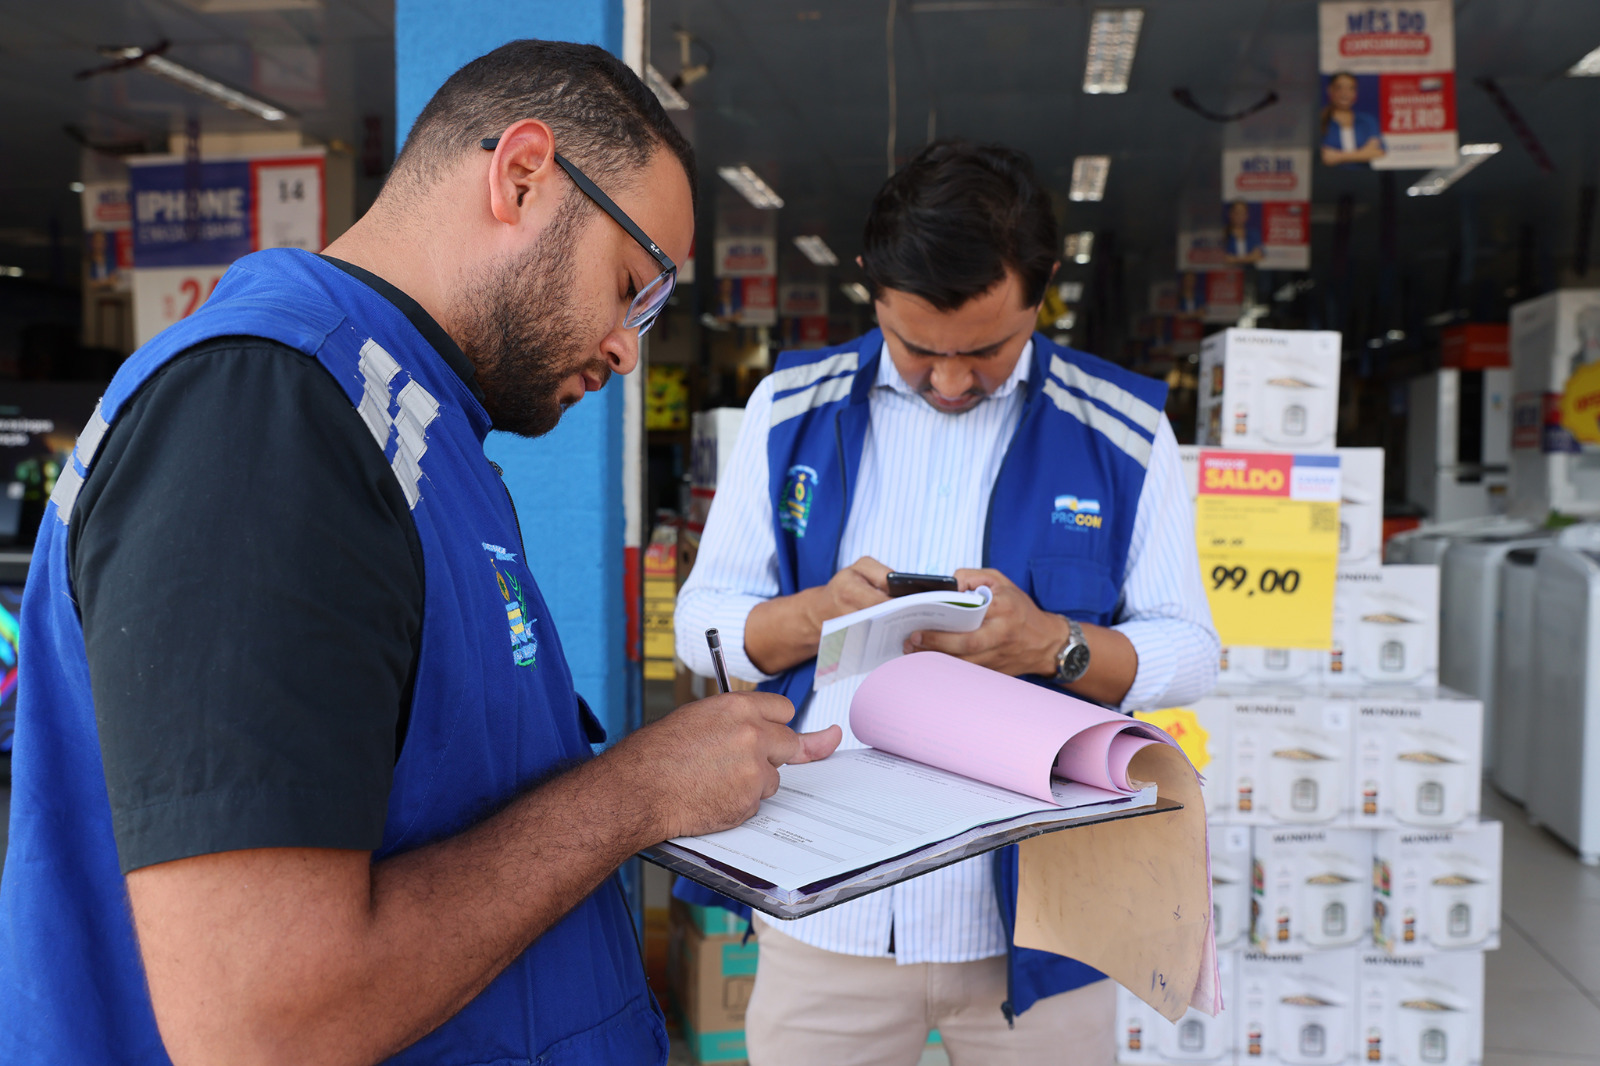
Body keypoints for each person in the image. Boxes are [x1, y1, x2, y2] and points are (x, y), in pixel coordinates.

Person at [0, 40, 840, 1066]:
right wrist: (636, 793)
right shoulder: (263, 416)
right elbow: (266, 1022)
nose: (629, 345)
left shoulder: (409, 419)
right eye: (633, 285)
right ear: (522, 174)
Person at [675, 140, 1220, 1065]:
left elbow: (1192, 650)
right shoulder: (791, 408)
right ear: (871, 291)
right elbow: (701, 628)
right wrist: (819, 615)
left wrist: (1053, 646)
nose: (954, 381)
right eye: (919, 348)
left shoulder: (1123, 431)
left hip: (1042, 924)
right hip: (830, 912)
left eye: (987, 350)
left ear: (1042, 289)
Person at [1319, 72, 1386, 167]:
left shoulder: (1367, 121)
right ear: (1330, 90)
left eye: (1351, 88)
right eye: (1339, 88)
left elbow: (1378, 151)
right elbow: (1324, 157)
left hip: (1363, 178)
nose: (1345, 93)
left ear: (1355, 92)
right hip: (1327, 179)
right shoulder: (1318, 121)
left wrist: (1337, 156)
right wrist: (1364, 153)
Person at [1223, 199, 1264, 265]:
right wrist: (1249, 258)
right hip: (1230, 273)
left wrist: (1235, 259)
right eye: (1236, 213)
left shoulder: (1254, 234)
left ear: (1246, 216)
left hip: (1251, 272)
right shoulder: (1223, 234)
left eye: (1242, 213)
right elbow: (1223, 258)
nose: (1239, 216)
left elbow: (1259, 256)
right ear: (1230, 214)